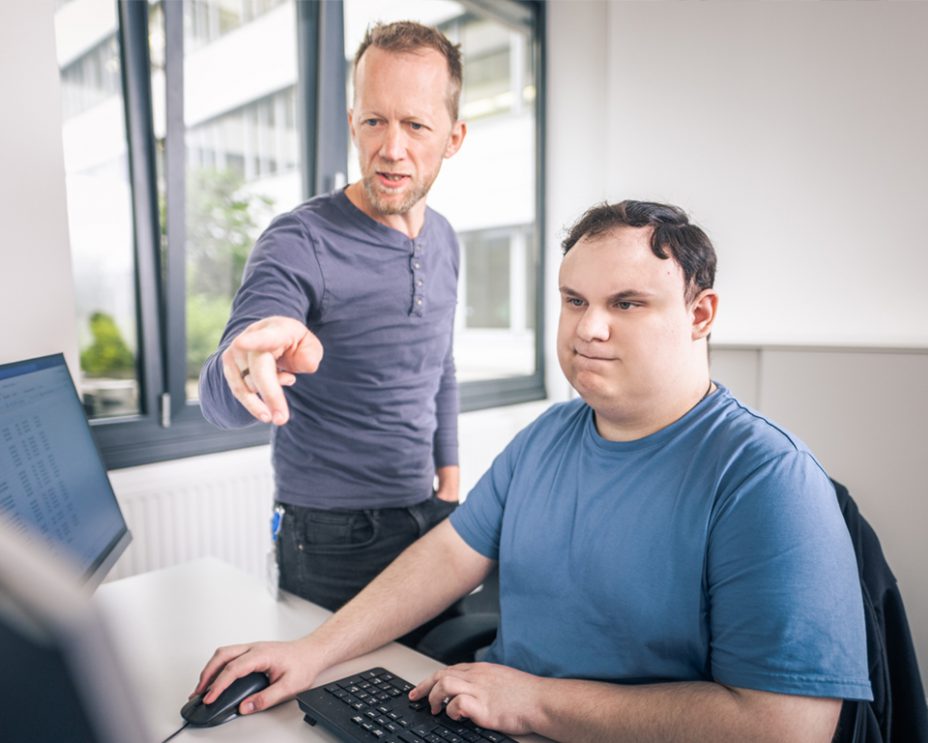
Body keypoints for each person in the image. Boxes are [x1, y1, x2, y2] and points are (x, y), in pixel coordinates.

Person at [194, 200, 873, 741]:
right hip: (494, 720)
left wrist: (536, 703)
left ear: (701, 314)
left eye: (626, 303)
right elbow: (448, 555)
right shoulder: (549, 434)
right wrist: (313, 651)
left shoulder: (766, 479)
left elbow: (789, 726)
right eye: (574, 301)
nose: (588, 329)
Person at [198, 21, 467, 615]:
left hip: (428, 518)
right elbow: (218, 392)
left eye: (416, 125)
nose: (391, 148)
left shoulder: (446, 240)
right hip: (330, 538)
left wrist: (449, 480)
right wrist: (240, 363)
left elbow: (439, 366)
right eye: (374, 120)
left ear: (453, 137)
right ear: (352, 122)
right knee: (328, 705)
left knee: (433, 695)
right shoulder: (299, 240)